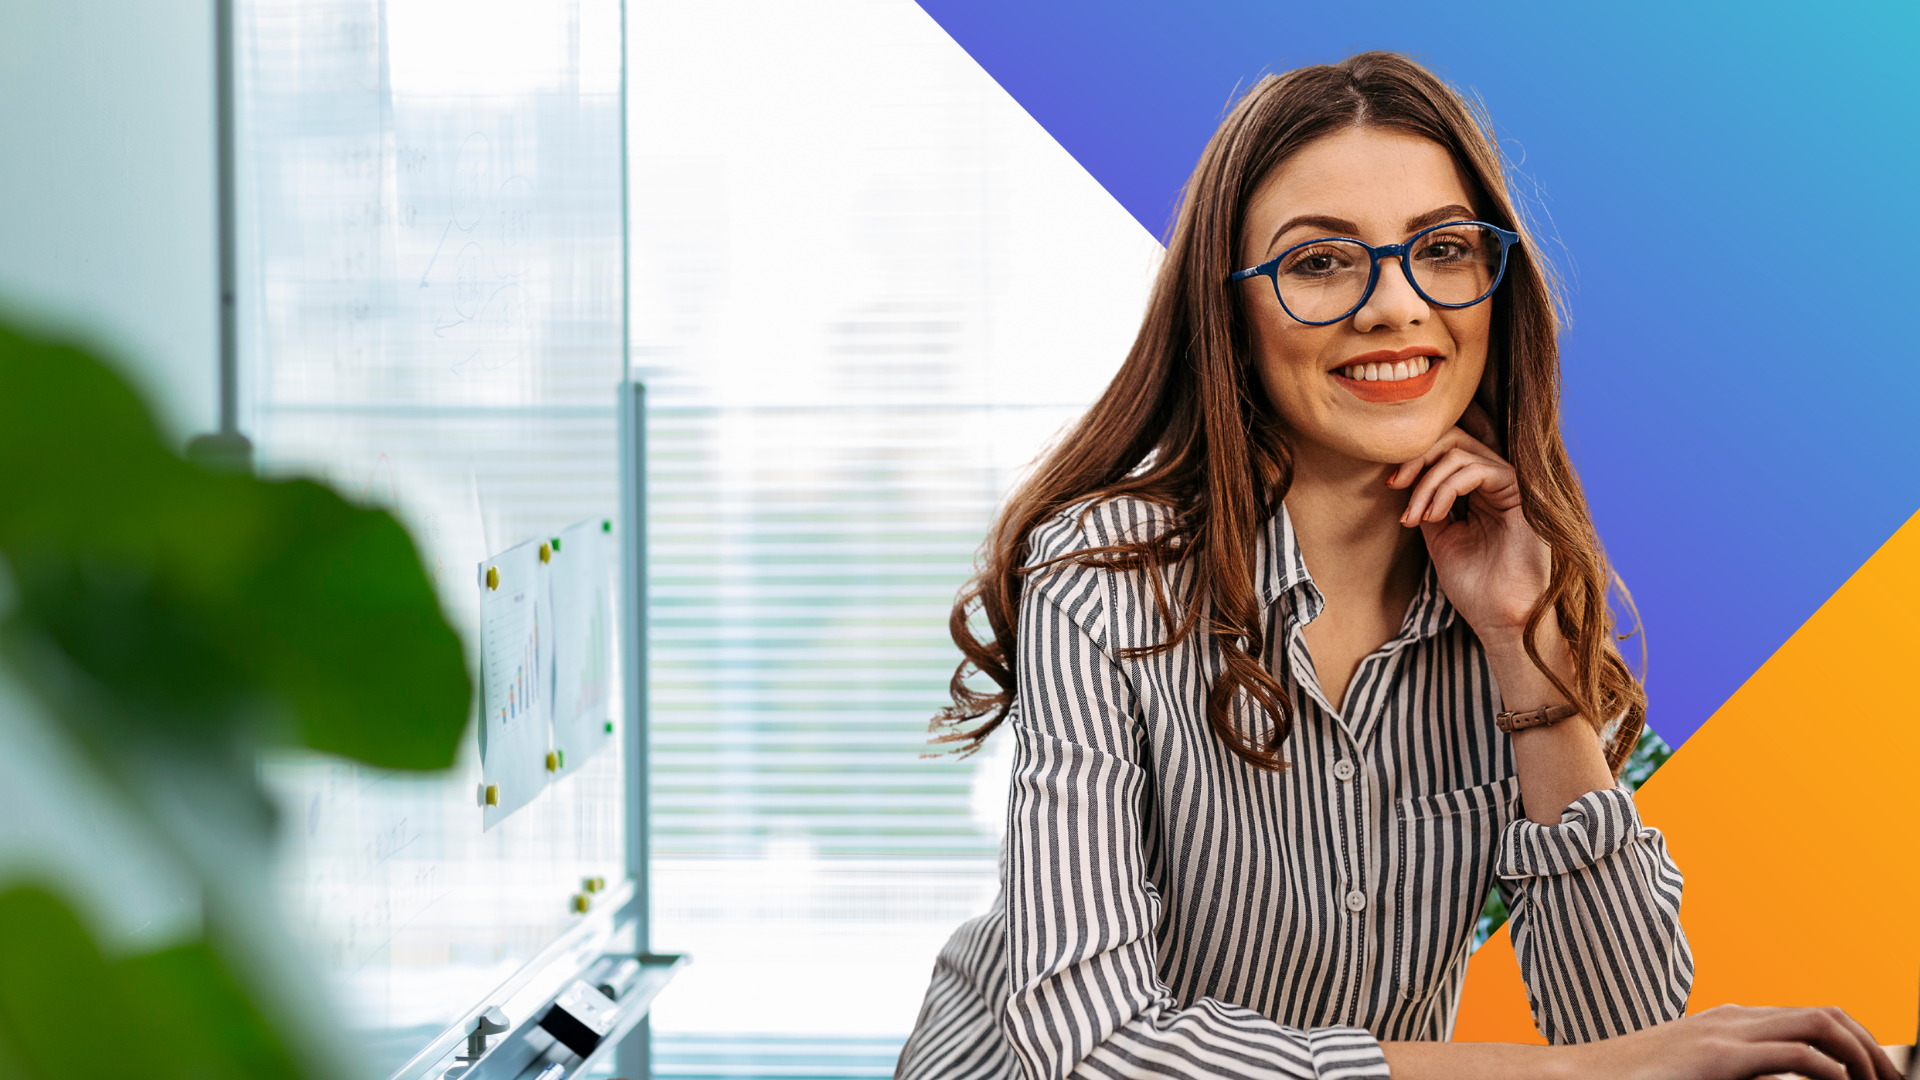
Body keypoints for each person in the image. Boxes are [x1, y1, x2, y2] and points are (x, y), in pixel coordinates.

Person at [895, 51, 1901, 1080]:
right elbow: (1090, 1048)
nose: (1396, 306)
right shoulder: (1104, 580)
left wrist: (1525, 652)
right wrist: (1555, 1077)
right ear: (1231, 313)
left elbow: (1632, 1034)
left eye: (1444, 249)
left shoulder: (1512, 583)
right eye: (1320, 262)